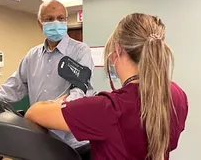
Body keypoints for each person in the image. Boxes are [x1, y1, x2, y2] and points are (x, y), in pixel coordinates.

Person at [25, 13, 189, 160]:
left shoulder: (107, 108)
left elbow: (33, 113)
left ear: (117, 51)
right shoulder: (177, 94)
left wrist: (58, 102)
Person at [0, 0, 94, 159]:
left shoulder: (81, 51)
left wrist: (47, 110)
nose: (56, 22)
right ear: (40, 24)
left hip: (74, 144)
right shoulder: (32, 56)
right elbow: (13, 88)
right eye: (49, 19)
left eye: (61, 18)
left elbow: (78, 94)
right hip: (42, 140)